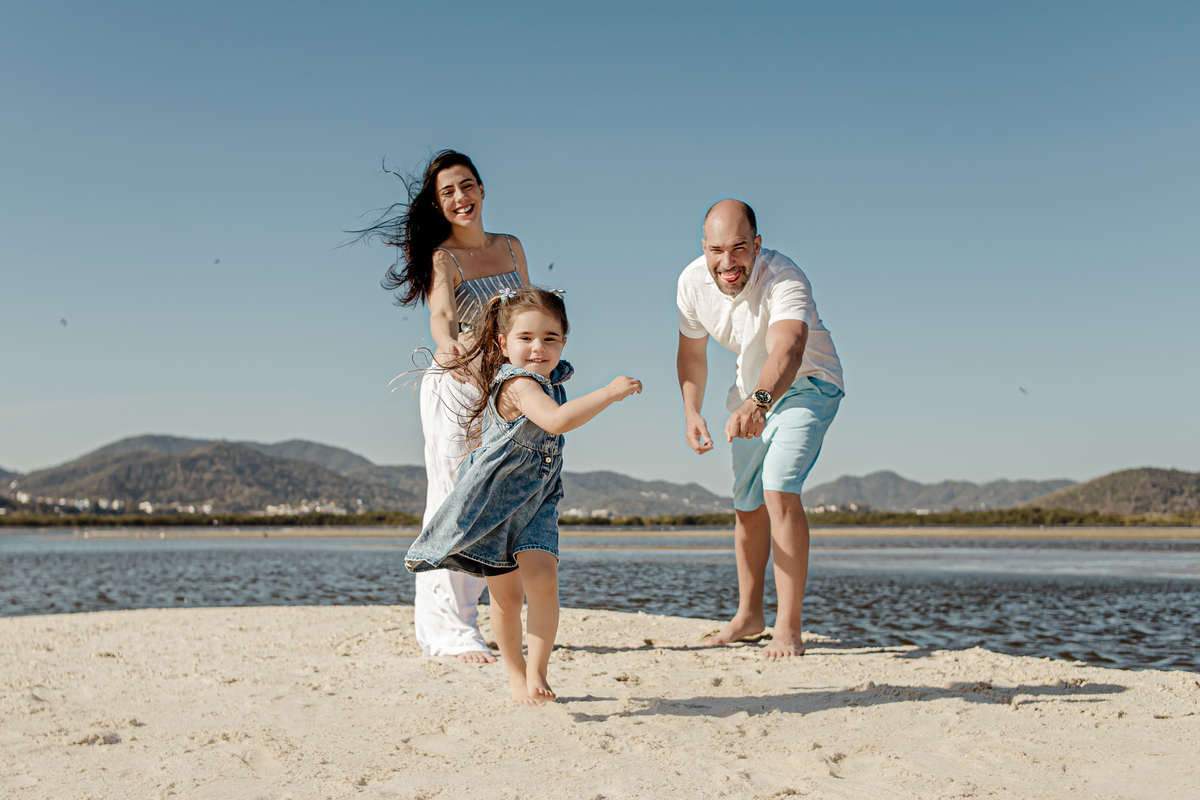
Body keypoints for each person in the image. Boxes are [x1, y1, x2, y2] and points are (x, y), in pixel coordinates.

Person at [406, 287, 642, 704]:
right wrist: (609, 392)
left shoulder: (554, 382)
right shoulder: (516, 384)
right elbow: (554, 422)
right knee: (508, 598)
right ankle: (515, 674)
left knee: (544, 581)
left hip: (538, 502)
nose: (538, 348)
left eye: (550, 338)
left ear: (564, 341)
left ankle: (537, 672)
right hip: (495, 506)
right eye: (526, 338)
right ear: (503, 344)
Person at [365, 150, 531, 663]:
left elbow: (527, 309)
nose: (461, 199)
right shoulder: (443, 258)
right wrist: (449, 346)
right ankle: (447, 630)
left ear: (482, 189)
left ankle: (488, 616)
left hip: (506, 387)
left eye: (467, 186)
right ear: (438, 205)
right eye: (448, 193)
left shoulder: (511, 246)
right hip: (456, 383)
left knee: (500, 497)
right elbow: (440, 316)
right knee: (453, 499)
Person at [675, 199, 844, 659]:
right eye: (716, 250)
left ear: (758, 245)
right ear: (703, 248)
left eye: (739, 248)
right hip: (749, 394)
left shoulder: (784, 279)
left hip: (807, 384)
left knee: (779, 488)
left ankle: (788, 628)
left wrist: (761, 401)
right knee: (747, 504)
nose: (727, 263)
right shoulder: (692, 283)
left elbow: (788, 346)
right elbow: (691, 353)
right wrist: (692, 412)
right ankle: (749, 615)